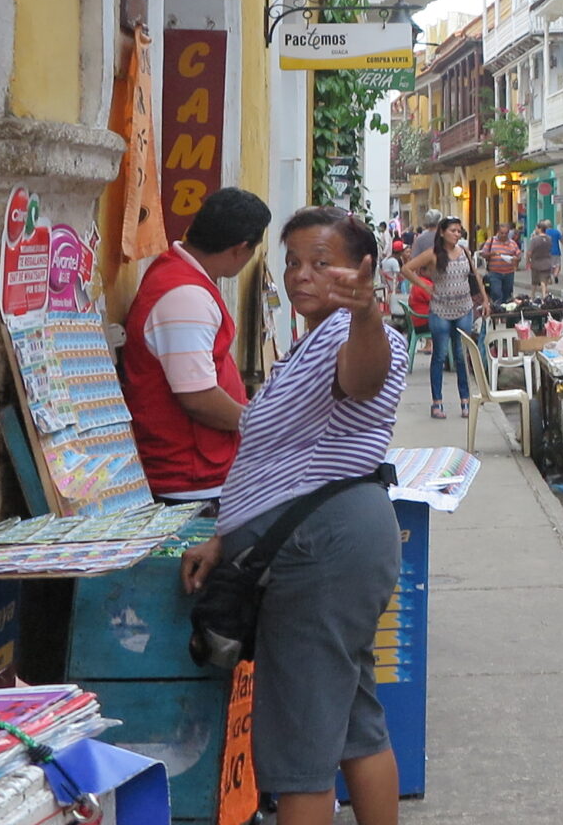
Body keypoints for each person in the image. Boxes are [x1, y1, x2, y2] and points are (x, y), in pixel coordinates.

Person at [180, 206, 407, 825]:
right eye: (293, 262)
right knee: (355, 718)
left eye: (322, 263)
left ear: (361, 271)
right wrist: (228, 536)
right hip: (325, 540)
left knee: (300, 743)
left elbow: (364, 378)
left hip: (323, 549)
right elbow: (276, 460)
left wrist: (365, 314)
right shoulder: (307, 345)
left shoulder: (351, 336)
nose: (301, 275)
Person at [122, 186, 269, 508]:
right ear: (241, 248)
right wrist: (260, 425)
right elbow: (198, 398)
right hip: (188, 479)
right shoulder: (184, 295)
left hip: (202, 468)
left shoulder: (181, 275)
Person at [401, 216, 486, 420]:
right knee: (439, 355)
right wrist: (424, 286)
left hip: (464, 308)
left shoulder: (465, 252)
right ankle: (437, 402)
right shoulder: (433, 254)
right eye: (453, 231)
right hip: (440, 309)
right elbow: (406, 269)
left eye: (459, 231)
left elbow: (475, 276)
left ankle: (465, 401)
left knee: (460, 354)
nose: (457, 234)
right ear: (442, 232)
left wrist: (485, 299)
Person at [479, 224, 521, 303]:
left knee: (507, 295)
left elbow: (519, 255)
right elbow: (483, 254)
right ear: (498, 232)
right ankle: (497, 309)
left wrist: (516, 259)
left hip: (509, 273)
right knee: (496, 293)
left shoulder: (512, 243)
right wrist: (491, 254)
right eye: (502, 233)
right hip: (494, 273)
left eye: (506, 233)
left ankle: (505, 311)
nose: (504, 235)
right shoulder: (491, 241)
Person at [524, 220, 558, 295]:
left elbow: (529, 252)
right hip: (547, 263)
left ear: (539, 229)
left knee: (534, 282)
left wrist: (527, 262)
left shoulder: (535, 239)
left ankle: (532, 296)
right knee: (544, 281)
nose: (535, 229)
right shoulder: (549, 238)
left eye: (536, 228)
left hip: (536, 263)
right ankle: (544, 296)